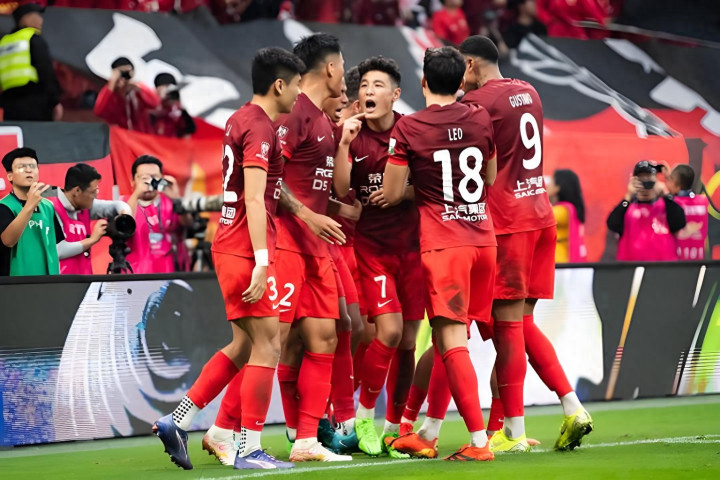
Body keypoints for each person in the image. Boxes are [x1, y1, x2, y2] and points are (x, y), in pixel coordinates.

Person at [151, 47, 304, 471]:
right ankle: (249, 448)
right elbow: (254, 198)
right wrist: (261, 261)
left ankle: (177, 420)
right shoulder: (260, 127)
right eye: (295, 85)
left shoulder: (239, 118)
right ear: (279, 84)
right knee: (269, 345)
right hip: (244, 249)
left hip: (230, 244)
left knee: (244, 344)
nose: (298, 94)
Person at [459, 35, 592, 452]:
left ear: (470, 64)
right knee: (519, 325)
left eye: (461, 68)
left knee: (508, 327)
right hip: (539, 215)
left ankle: (517, 430)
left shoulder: (478, 103)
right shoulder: (528, 90)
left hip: (507, 221)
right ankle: (557, 410)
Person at [382, 46, 498, 462]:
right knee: (453, 341)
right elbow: (490, 176)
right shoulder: (480, 117)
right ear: (462, 81)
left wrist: (426, 187)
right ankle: (427, 432)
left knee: (451, 342)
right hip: (483, 240)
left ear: (423, 82)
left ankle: (479, 444)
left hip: (445, 244)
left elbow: (391, 192)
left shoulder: (409, 127)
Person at [332, 56, 424, 459]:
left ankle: (395, 428)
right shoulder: (352, 134)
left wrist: (400, 193)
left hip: (414, 249)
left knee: (408, 342)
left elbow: (430, 186)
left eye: (377, 85)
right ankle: (362, 417)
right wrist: (343, 143)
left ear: (395, 94)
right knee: (387, 332)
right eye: (364, 85)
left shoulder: (411, 131)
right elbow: (341, 190)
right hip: (373, 251)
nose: (368, 91)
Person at [273, 33, 352, 463]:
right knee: (271, 342)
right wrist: (308, 216)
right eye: (343, 65)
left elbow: (310, 185)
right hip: (286, 243)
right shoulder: (296, 112)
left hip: (316, 248)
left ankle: (306, 439)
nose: (345, 75)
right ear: (330, 67)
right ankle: (229, 429)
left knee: (325, 337)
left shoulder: (322, 120)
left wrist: (337, 210)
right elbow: (269, 177)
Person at [50, 163, 131, 275]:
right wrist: (92, 240)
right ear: (77, 191)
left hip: (85, 278)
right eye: (92, 192)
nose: (95, 196)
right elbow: (57, 250)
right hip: (61, 281)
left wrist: (124, 215)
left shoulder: (84, 205)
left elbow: (117, 206)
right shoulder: (51, 208)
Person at [607, 160, 686, 262]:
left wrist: (665, 194)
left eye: (649, 182)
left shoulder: (666, 206)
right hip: (632, 267)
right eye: (640, 182)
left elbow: (679, 222)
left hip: (663, 267)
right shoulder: (627, 208)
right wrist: (628, 196)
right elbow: (612, 224)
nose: (645, 187)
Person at [123, 155, 191, 274]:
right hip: (135, 275)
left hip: (169, 272)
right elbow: (124, 226)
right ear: (132, 181)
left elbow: (188, 224)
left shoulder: (170, 202)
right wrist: (136, 195)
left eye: (154, 177)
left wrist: (176, 199)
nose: (149, 182)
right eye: (144, 178)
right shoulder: (124, 203)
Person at [0, 147, 62, 276]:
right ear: (10, 176)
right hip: (16, 281)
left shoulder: (48, 206)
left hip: (49, 280)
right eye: (22, 167)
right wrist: (30, 204)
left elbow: (54, 244)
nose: (29, 170)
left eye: (33, 166)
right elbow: (8, 241)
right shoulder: (4, 206)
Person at [0, 3, 62, 121]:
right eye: (37, 16)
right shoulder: (32, 38)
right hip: (36, 105)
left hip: (9, 107)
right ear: (25, 19)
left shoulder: (4, 42)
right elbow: (45, 71)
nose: (41, 20)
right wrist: (55, 101)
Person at [93, 57, 160, 134]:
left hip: (140, 136)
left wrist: (139, 88)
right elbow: (99, 111)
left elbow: (156, 104)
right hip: (121, 137)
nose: (124, 77)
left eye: (127, 72)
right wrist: (112, 85)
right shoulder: (110, 92)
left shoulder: (137, 90)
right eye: (121, 73)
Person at [666, 164, 708, 260]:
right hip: (698, 260)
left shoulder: (672, 203)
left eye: (670, 180)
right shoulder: (703, 202)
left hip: (676, 261)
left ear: (676, 184)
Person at [547, 169, 587, 263]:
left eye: (551, 182)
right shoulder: (568, 209)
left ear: (558, 187)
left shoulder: (562, 211)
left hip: (558, 263)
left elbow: (532, 217)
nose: (547, 186)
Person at [150, 73, 196, 138]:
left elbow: (189, 129)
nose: (167, 92)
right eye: (164, 88)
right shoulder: (151, 107)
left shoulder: (178, 110)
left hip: (173, 141)